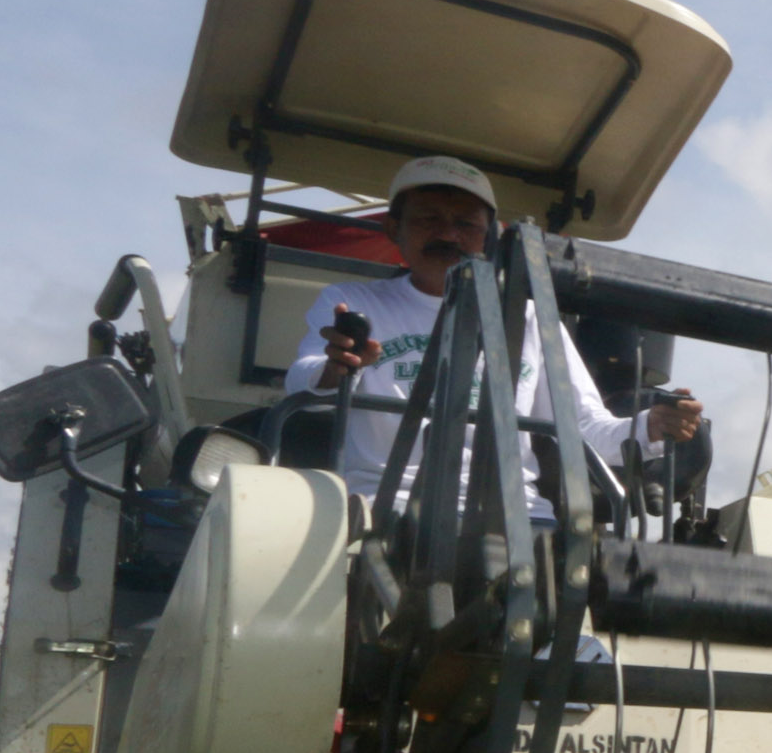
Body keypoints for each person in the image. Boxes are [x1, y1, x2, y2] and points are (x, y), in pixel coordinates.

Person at [277, 157, 704, 519]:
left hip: (517, 519)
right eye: (429, 219)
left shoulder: (533, 319)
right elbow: (303, 380)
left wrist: (651, 426)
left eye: (466, 224)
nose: (448, 235)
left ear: (492, 238)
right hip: (380, 510)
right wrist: (337, 368)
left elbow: (584, 426)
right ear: (394, 229)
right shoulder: (350, 301)